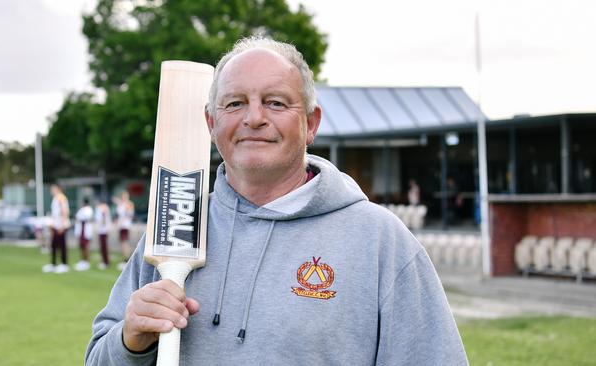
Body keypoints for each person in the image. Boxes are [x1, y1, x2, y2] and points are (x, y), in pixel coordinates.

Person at [86, 37, 467, 365]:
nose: (254, 118)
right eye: (234, 103)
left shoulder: (379, 240)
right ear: (210, 123)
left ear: (312, 123)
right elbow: (99, 357)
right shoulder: (176, 225)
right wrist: (130, 341)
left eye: (276, 103)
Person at [43, 184, 70, 274]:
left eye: (53, 189)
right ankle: (53, 264)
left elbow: (64, 211)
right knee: (54, 245)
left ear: (58, 189)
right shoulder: (55, 198)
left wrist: (62, 225)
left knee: (62, 245)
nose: (52, 191)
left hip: (61, 226)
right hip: (55, 225)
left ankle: (64, 264)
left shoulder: (61, 198)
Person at [113, 191, 134, 271]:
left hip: (125, 226)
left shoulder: (128, 204)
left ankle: (127, 260)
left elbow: (128, 214)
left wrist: (120, 222)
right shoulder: (122, 204)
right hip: (121, 226)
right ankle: (125, 259)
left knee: (125, 243)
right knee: (122, 243)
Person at [74, 198, 94, 271]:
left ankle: (87, 262)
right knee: (81, 246)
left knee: (86, 246)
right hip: (81, 230)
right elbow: (77, 217)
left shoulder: (88, 209)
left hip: (85, 230)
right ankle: (82, 260)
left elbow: (86, 217)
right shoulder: (82, 209)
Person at [94, 199, 111, 270]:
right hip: (102, 229)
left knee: (104, 246)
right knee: (102, 246)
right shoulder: (103, 208)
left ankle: (106, 262)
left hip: (103, 230)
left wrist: (102, 226)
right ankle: (104, 261)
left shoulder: (103, 208)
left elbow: (103, 218)